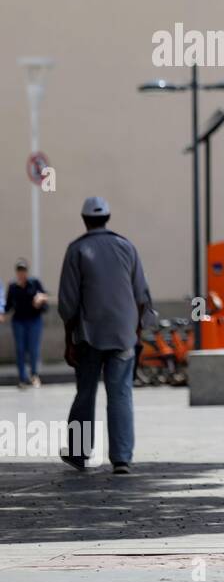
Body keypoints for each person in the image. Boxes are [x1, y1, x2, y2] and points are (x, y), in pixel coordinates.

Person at [57, 197, 154, 474]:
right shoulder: (127, 247)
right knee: (121, 393)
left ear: (84, 219)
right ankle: (122, 458)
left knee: (85, 393)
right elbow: (141, 296)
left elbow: (68, 301)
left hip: (89, 334)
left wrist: (68, 340)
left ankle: (78, 453)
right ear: (108, 217)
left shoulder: (77, 250)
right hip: (124, 333)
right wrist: (136, 333)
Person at [2, 258, 49, 388]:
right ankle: (22, 378)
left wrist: (39, 301)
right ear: (16, 272)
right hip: (19, 321)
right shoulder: (13, 287)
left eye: (23, 270)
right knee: (20, 349)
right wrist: (2, 313)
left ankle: (34, 375)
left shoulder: (34, 283)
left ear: (27, 271)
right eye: (19, 270)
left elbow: (44, 297)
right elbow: (8, 305)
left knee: (33, 349)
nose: (21, 273)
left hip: (34, 320)